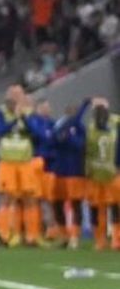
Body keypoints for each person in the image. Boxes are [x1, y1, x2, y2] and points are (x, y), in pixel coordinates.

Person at [0, 85, 45, 247]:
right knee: (6, 198)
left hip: (25, 161)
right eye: (12, 94)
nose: (15, 98)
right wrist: (15, 119)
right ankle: (4, 235)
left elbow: (38, 134)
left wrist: (24, 118)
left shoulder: (29, 113)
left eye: (18, 94)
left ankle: (31, 236)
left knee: (30, 198)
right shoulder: (1, 113)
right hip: (7, 161)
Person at [48, 100, 89, 248]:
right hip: (60, 170)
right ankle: (63, 234)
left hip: (75, 171)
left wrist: (68, 139)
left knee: (75, 203)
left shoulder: (80, 128)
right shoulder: (59, 126)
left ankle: (75, 236)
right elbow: (52, 142)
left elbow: (80, 145)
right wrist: (60, 139)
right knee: (57, 203)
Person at [84, 98, 118, 250]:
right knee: (99, 208)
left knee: (111, 206)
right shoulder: (92, 128)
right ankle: (101, 239)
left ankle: (111, 239)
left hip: (107, 173)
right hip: (99, 174)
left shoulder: (113, 124)